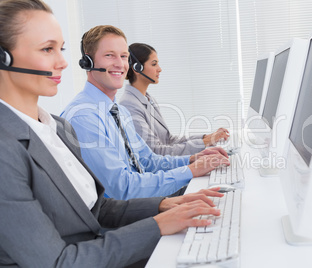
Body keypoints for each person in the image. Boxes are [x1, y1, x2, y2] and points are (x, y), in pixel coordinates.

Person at [0, 1, 225, 267]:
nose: (62, 62)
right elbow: (58, 261)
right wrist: (157, 225)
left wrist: (163, 205)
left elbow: (97, 206)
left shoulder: (58, 127)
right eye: (47, 49)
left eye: (61, 49)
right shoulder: (13, 145)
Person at [61, 25, 230, 200]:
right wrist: (189, 171)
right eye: (109, 55)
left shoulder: (119, 112)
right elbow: (122, 188)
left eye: (124, 56)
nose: (120, 64)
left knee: (222, 195)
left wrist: (193, 159)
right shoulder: (84, 117)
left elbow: (149, 160)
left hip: (142, 200)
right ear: (87, 62)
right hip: (125, 215)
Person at [119, 43, 230, 156]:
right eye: (154, 64)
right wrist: (205, 142)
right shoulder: (129, 105)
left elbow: (169, 141)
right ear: (137, 68)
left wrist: (206, 138)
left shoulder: (147, 99)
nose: (159, 69)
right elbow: (156, 152)